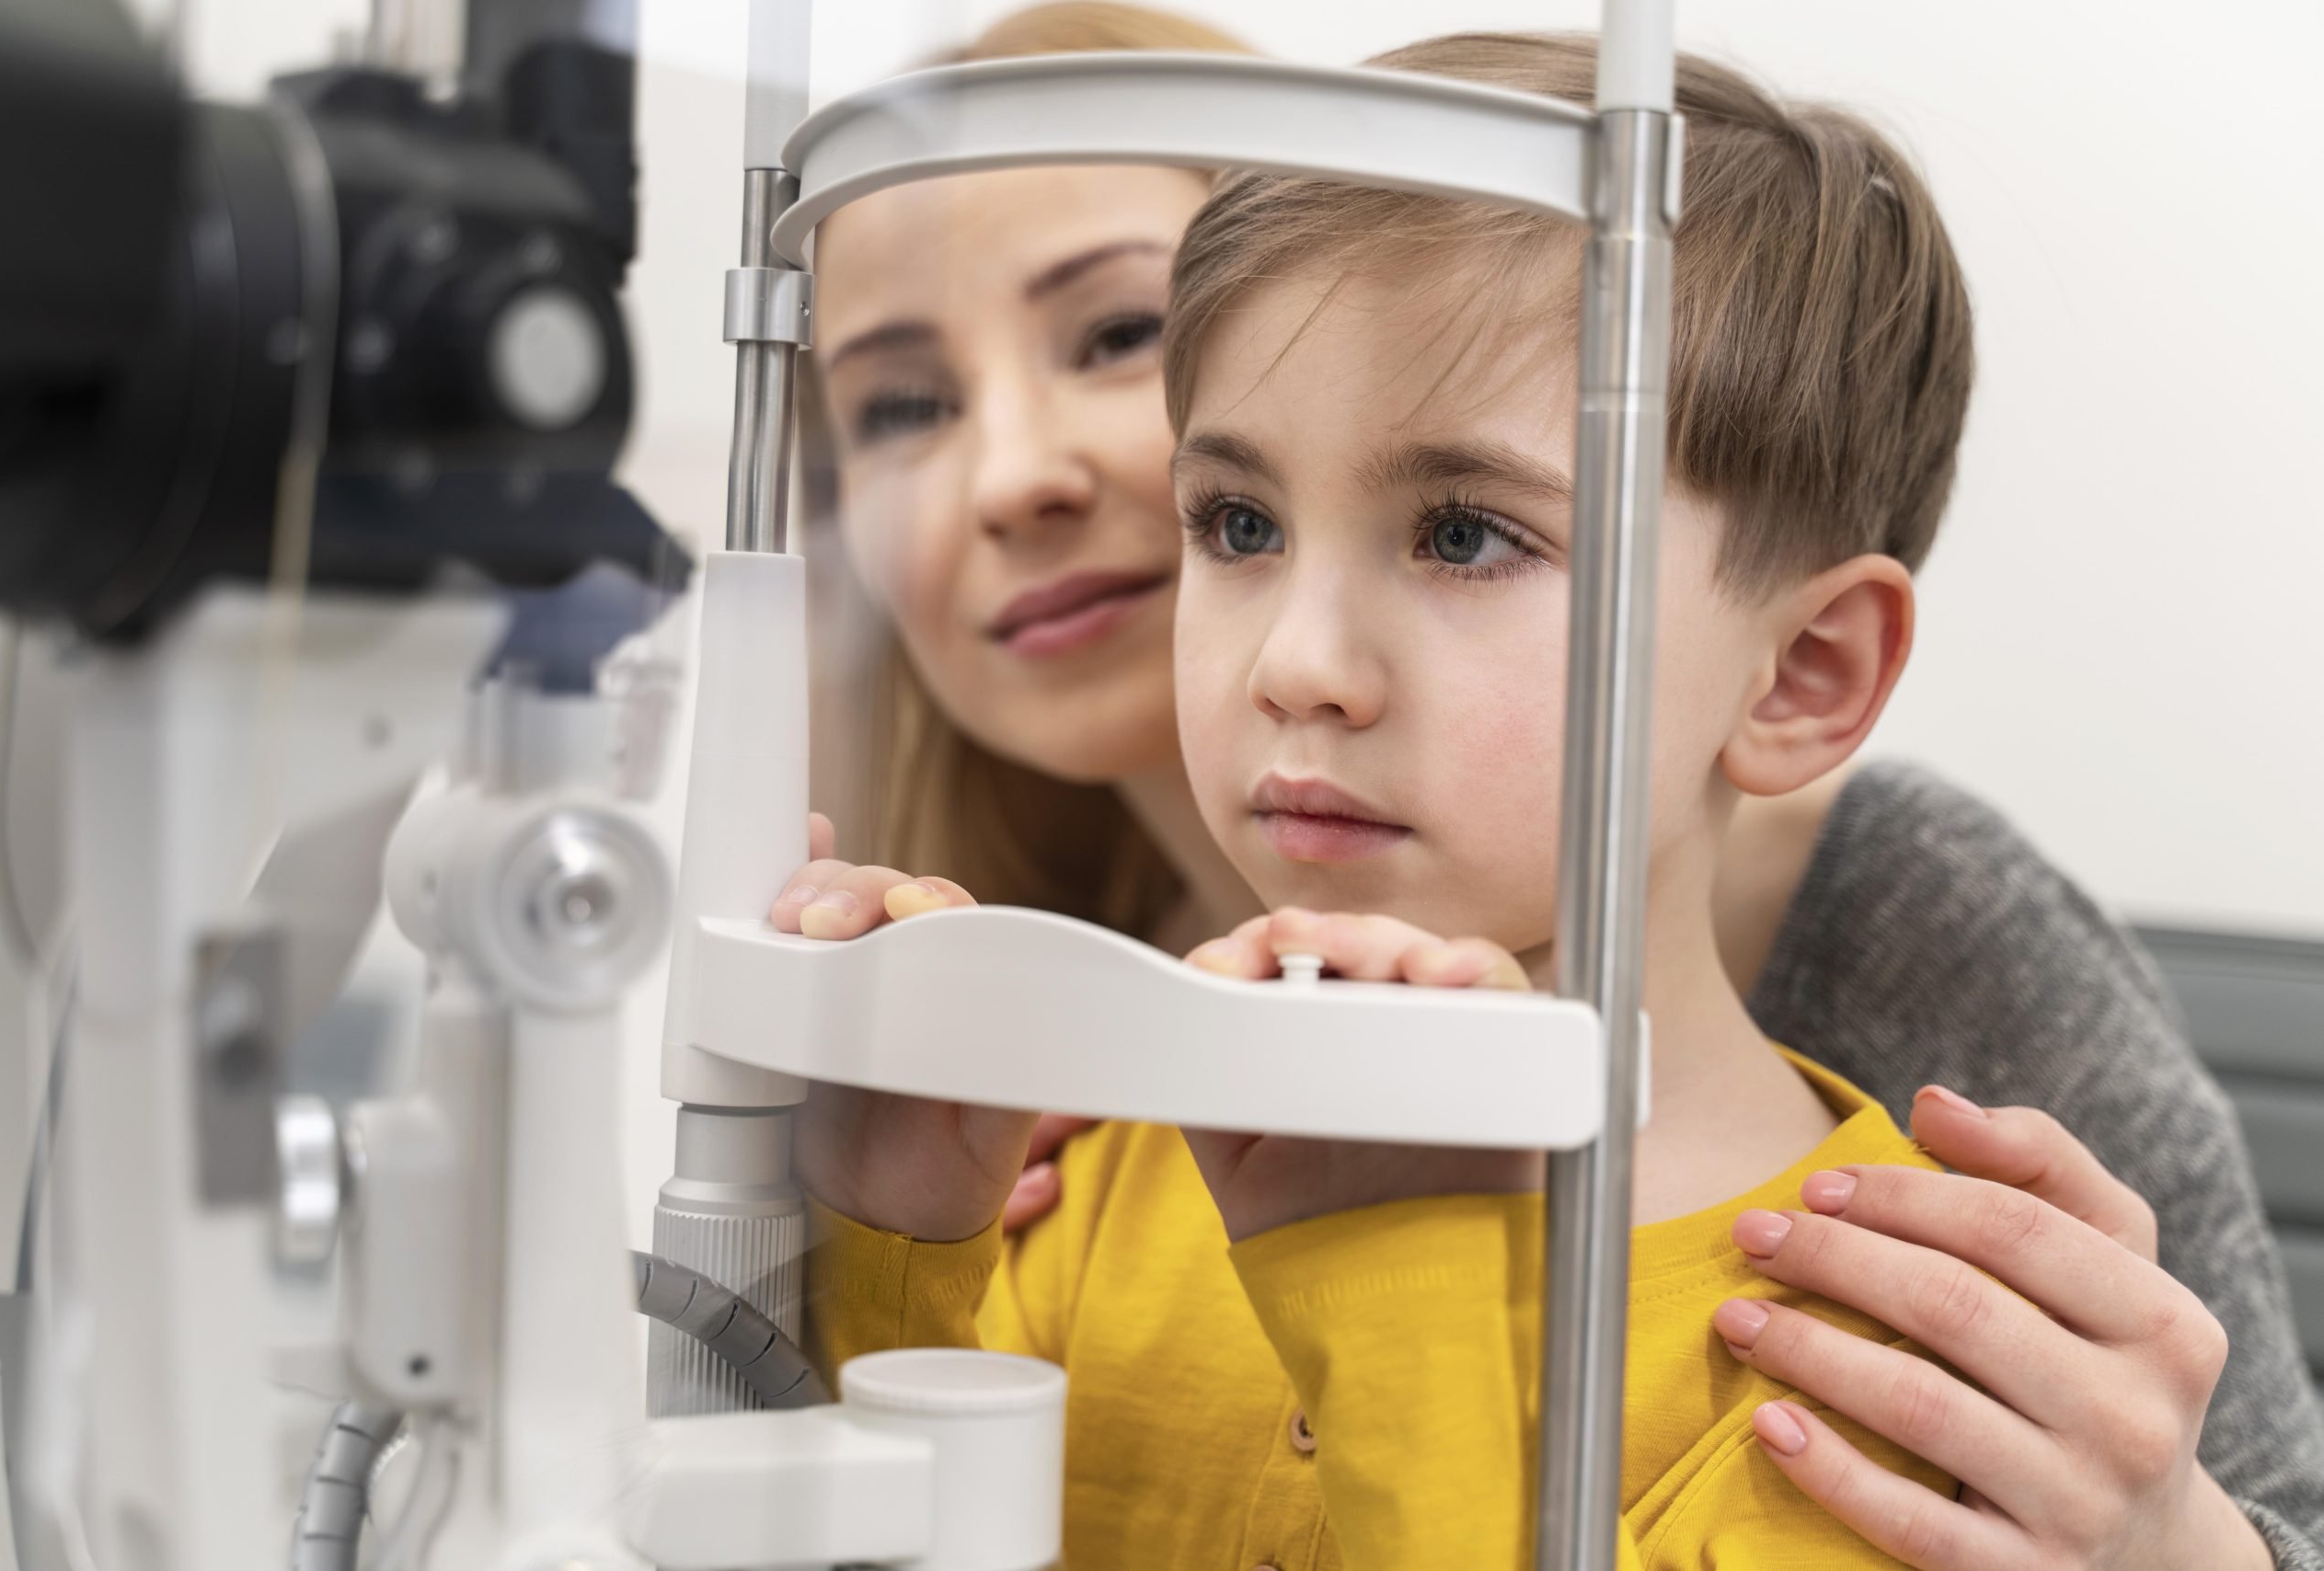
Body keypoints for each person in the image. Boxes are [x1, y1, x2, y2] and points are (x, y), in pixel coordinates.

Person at [785, 6, 2324, 1565]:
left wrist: (1394, 1279)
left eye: (1464, 534)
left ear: (1803, 674)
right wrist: (880, 1245)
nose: (1295, 663)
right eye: (1238, 523)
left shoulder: (1910, 1366)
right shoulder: (1100, 1176)